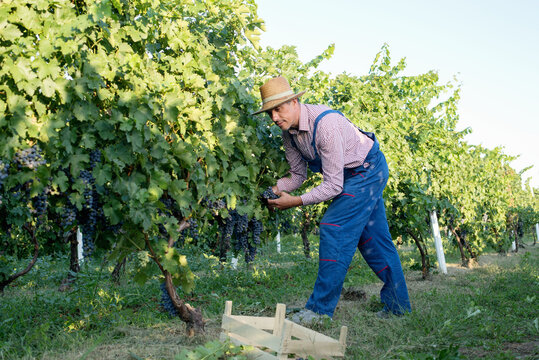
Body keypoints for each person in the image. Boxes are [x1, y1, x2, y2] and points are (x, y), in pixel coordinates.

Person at [253, 76, 411, 323]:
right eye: (269, 113)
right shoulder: (289, 133)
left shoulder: (324, 125)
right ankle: (398, 306)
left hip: (366, 170)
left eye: (278, 109)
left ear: (295, 101)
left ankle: (319, 311)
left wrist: (295, 201)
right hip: (352, 175)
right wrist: (274, 190)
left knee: (333, 227)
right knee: (374, 239)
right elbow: (297, 175)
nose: (274, 117)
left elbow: (333, 185)